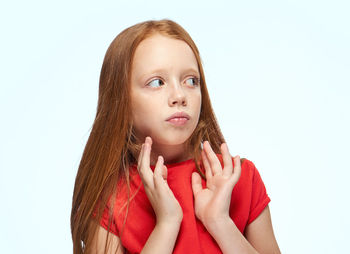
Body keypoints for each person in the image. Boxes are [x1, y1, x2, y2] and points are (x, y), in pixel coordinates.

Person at [70, 19, 281, 254]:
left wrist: (220, 223)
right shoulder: (110, 198)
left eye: (191, 80)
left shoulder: (239, 178)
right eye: (157, 82)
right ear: (121, 101)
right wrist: (167, 224)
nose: (179, 95)